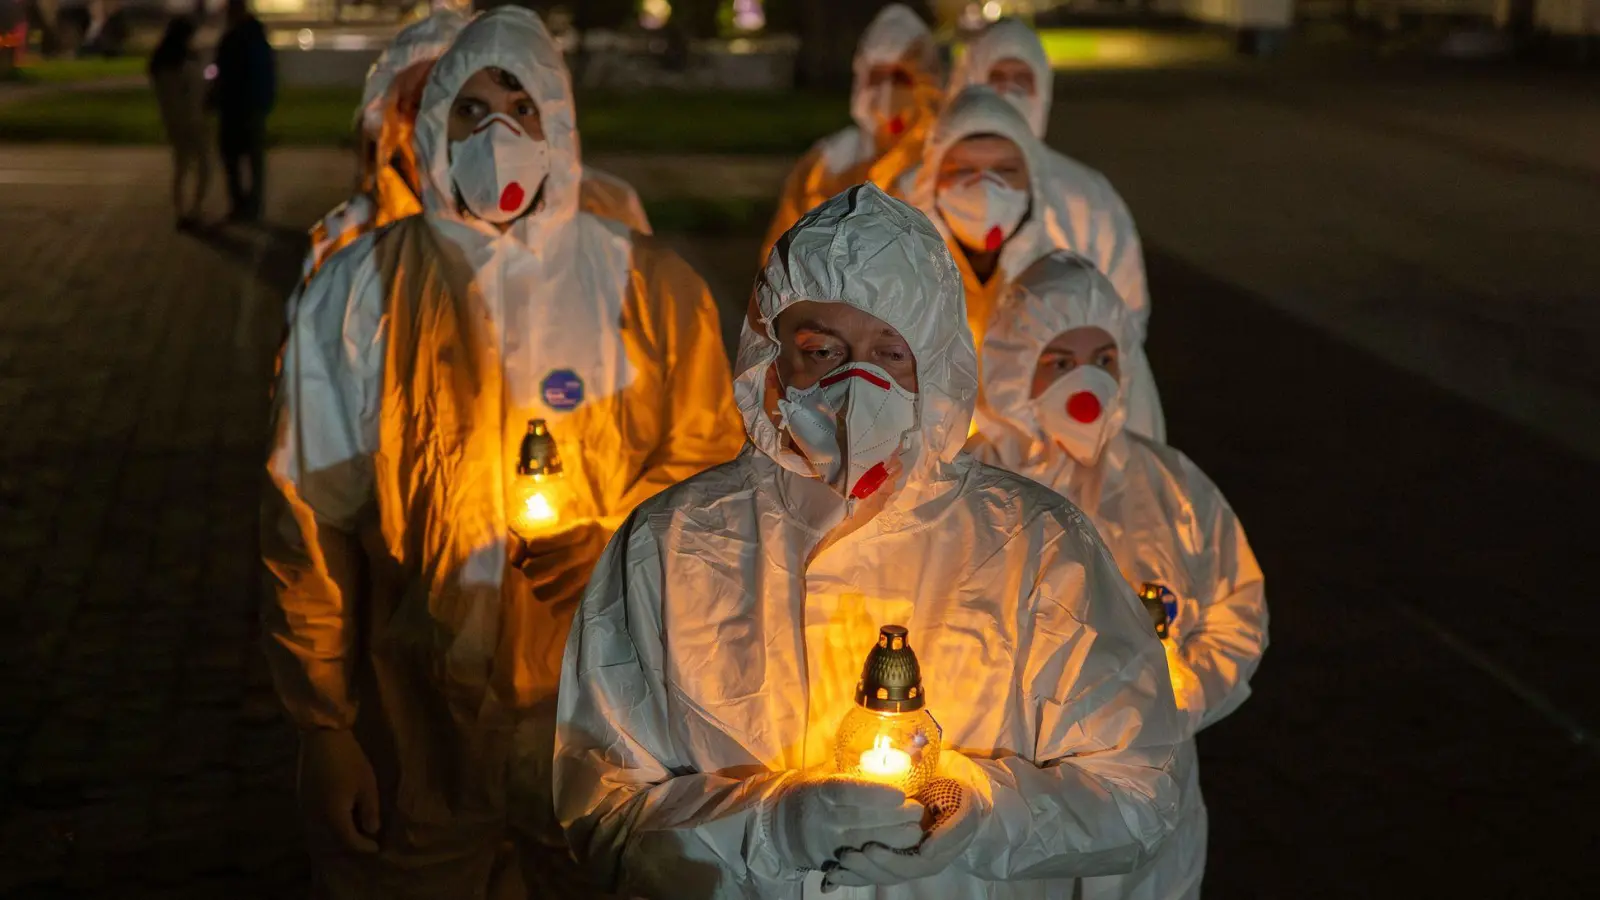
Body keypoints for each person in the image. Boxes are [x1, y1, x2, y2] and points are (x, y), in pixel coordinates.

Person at [554, 184, 1183, 900]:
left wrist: (982, 813)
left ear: (940, 368)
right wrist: (769, 829)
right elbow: (599, 809)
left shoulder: (1035, 546)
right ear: (769, 357)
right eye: (822, 350)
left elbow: (1140, 790)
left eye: (892, 352)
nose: (858, 385)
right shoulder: (669, 546)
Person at [261, 7, 745, 897]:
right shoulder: (357, 292)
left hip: (607, 727)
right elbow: (307, 523)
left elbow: (714, 480)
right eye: (469, 109)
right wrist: (323, 729)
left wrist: (620, 546)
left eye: (519, 107)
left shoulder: (650, 287)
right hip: (419, 731)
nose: (496, 133)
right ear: (432, 126)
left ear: (559, 124)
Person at [968, 251, 1269, 900]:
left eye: (1103, 360)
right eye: (1059, 361)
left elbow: (1236, 607)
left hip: (1151, 788)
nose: (1086, 381)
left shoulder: (1172, 487)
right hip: (1018, 785)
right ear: (1012, 367)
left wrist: (1177, 700)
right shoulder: (973, 490)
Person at [299, 7, 653, 284]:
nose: (433, 127)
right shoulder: (349, 243)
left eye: (458, 104)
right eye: (420, 104)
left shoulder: (606, 210)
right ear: (386, 120)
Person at [904, 84, 1165, 440]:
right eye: (963, 169)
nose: (985, 187)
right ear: (931, 177)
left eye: (1005, 170)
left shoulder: (1068, 287)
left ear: (1032, 179)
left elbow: (1126, 406)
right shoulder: (900, 274)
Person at [760, 4, 942, 262]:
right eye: (877, 77)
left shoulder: (948, 158)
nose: (888, 91)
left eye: (901, 78)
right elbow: (779, 257)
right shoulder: (828, 162)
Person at [211, 0, 276, 222]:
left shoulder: (234, 39)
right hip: (250, 107)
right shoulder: (255, 37)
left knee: (235, 160)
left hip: (237, 108)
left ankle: (242, 206)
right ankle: (252, 206)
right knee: (252, 161)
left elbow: (223, 74)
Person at [147, 15, 208, 229]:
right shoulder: (185, 64)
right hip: (191, 121)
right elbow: (195, 91)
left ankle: (180, 211)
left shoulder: (161, 64)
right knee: (203, 167)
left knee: (181, 167)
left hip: (173, 122)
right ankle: (194, 210)